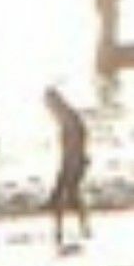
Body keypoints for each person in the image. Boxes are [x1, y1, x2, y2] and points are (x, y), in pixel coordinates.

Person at [42, 85, 92, 246]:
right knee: (70, 195)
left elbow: (77, 141)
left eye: (49, 103)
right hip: (73, 160)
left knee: (63, 196)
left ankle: (63, 230)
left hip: (74, 161)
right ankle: (80, 227)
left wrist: (72, 162)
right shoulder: (67, 117)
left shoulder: (68, 118)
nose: (48, 108)